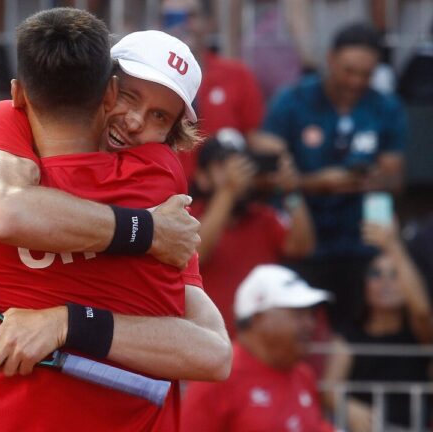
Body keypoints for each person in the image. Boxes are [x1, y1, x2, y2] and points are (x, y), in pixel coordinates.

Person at [0, 10, 231, 431]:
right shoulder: (160, 207)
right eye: (130, 96)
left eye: (160, 117)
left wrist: (64, 322)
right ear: (105, 90)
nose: (136, 121)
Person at [262, 22, 408, 328]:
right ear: (330, 59)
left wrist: (366, 179)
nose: (356, 81)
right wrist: (318, 183)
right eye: (349, 70)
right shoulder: (293, 100)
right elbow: (268, 172)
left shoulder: (386, 107)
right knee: (301, 327)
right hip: (302, 239)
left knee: (355, 330)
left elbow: (395, 180)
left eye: (366, 74)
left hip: (360, 242)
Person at [190, 129, 315, 337]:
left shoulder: (264, 217)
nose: (236, 172)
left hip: (259, 347)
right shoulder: (189, 214)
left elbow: (302, 247)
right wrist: (228, 192)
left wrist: (292, 193)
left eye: (241, 162)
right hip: (206, 342)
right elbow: (195, 255)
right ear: (202, 178)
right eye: (222, 165)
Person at [181, 264, 333, 431]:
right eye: (298, 314)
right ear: (258, 318)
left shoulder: (304, 375)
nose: (310, 324)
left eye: (310, 314)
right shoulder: (217, 377)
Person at [322, 219, 432, 431]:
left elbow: (422, 311)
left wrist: (393, 246)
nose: (385, 282)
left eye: (394, 275)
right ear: (364, 285)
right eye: (375, 274)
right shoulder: (350, 333)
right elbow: (329, 386)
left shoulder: (419, 334)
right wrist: (349, 407)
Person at [160, 0, 266, 180]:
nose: (181, 25)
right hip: (165, 197)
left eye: (190, 16)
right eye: (172, 18)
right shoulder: (146, 82)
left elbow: (254, 141)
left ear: (209, 22)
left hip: (228, 196)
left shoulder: (238, 75)